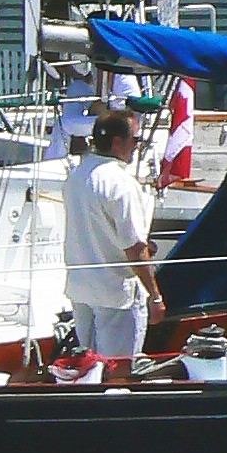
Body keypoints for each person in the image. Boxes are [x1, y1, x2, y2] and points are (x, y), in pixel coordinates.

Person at [65, 108, 163, 367]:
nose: (137, 146)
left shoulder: (77, 176)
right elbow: (134, 247)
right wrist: (155, 296)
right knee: (118, 367)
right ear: (118, 142)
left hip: (82, 288)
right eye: (136, 140)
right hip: (115, 292)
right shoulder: (120, 183)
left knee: (89, 365)